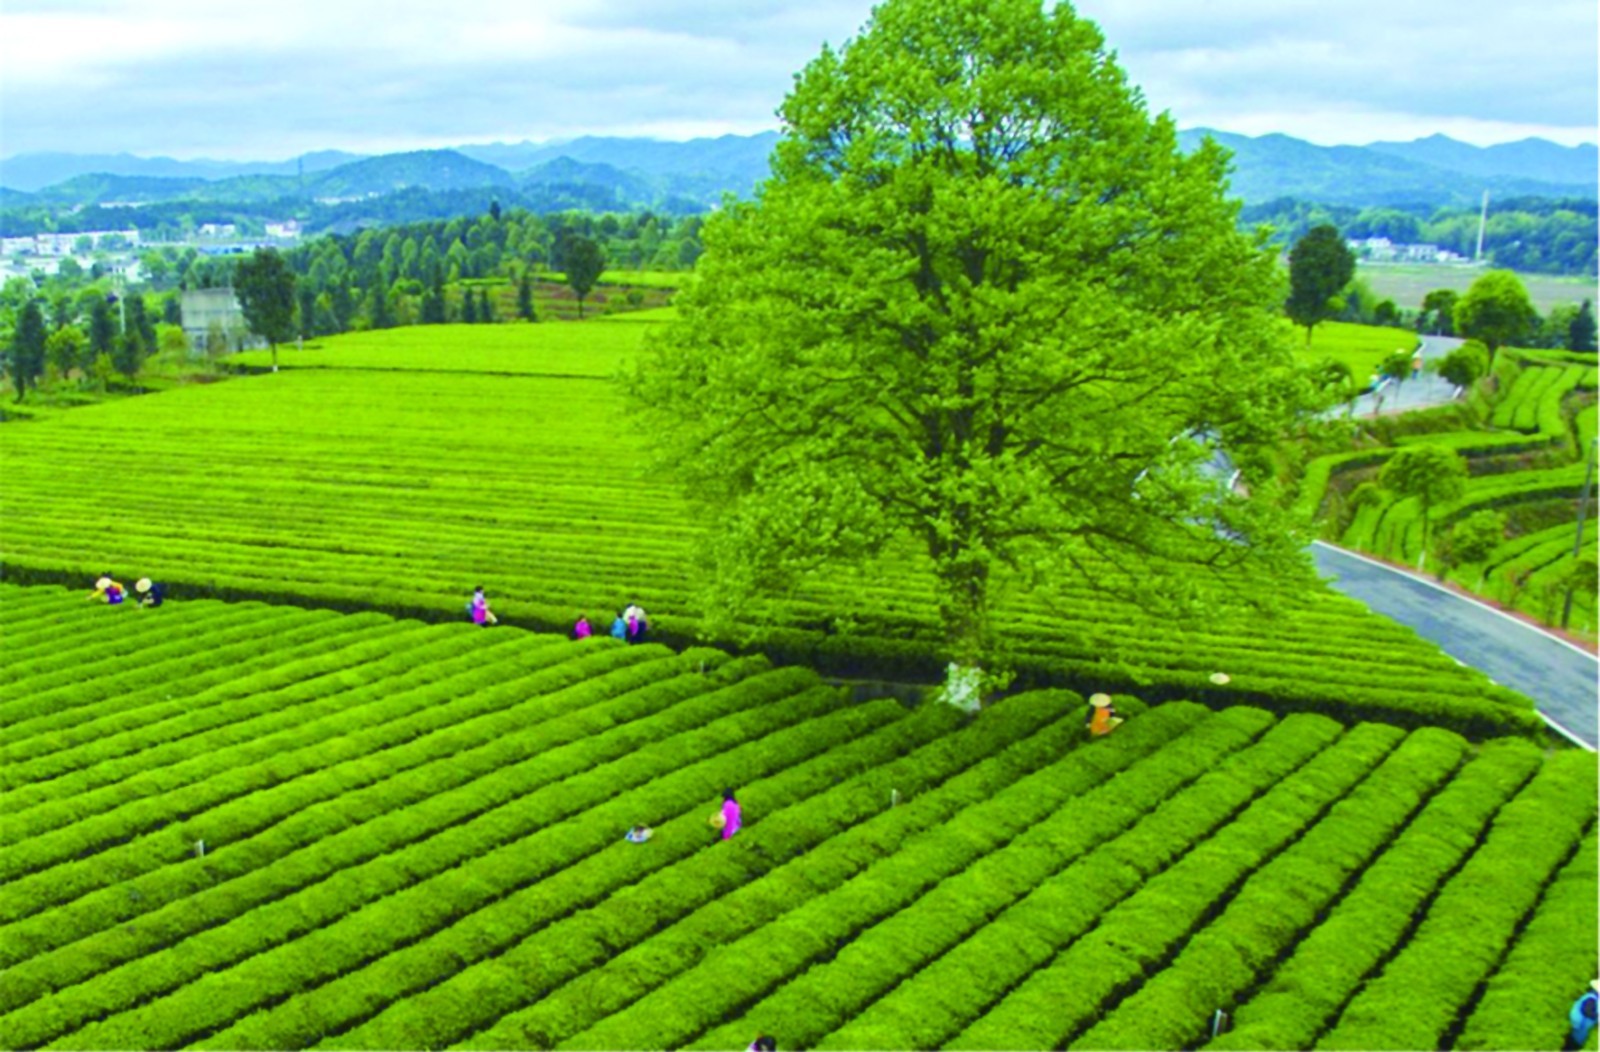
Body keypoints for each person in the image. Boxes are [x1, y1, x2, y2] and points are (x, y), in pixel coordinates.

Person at [1566, 981, 1600, 1051]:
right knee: (1574, 1043)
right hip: (1581, 1026)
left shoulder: (1593, 996)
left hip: (1582, 1026)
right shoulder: (1591, 998)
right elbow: (1587, 1011)